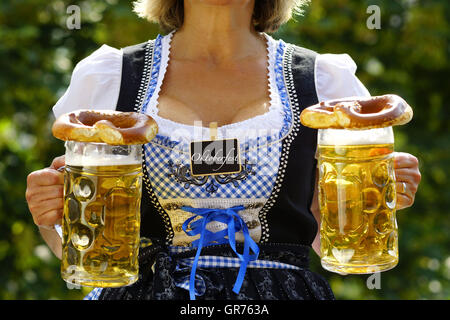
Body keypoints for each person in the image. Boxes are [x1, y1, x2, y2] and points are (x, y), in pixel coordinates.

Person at [25, 0, 421, 300]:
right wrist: (50, 216)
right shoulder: (111, 77)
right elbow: (83, 245)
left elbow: (337, 244)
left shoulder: (322, 81)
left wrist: (380, 197)